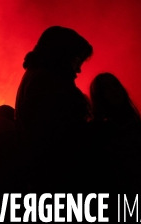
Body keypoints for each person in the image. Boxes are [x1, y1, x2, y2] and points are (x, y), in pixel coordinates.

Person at [15, 26, 92, 193]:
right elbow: (63, 139)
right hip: (59, 182)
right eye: (78, 60)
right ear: (63, 55)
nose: (79, 70)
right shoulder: (49, 83)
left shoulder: (36, 77)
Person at [88, 73, 141, 193]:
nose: (113, 90)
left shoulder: (133, 123)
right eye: (106, 87)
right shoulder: (98, 130)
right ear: (99, 95)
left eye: (115, 85)